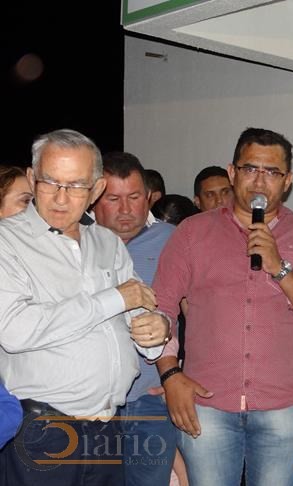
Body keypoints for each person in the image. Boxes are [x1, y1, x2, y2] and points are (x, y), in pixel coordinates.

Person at [152, 127, 293, 486]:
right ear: (232, 172)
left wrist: (280, 267)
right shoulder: (192, 232)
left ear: (287, 181)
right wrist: (169, 374)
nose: (259, 181)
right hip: (206, 403)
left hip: (281, 408)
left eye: (272, 172)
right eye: (250, 168)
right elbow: (161, 306)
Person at [0, 129, 169, 486]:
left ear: (95, 190)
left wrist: (156, 329)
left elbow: (139, 311)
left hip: (108, 428)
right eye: (50, 182)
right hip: (43, 430)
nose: (61, 198)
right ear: (32, 178)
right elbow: (15, 329)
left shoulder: (107, 242)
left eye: (76, 185)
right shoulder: (7, 241)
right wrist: (114, 298)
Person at [93, 151, 178, 486]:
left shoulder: (174, 240)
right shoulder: (75, 243)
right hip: (92, 404)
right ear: (95, 196)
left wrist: (177, 373)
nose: (126, 209)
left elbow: (200, 313)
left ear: (149, 197)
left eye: (134, 197)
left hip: (152, 398)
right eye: (113, 199)